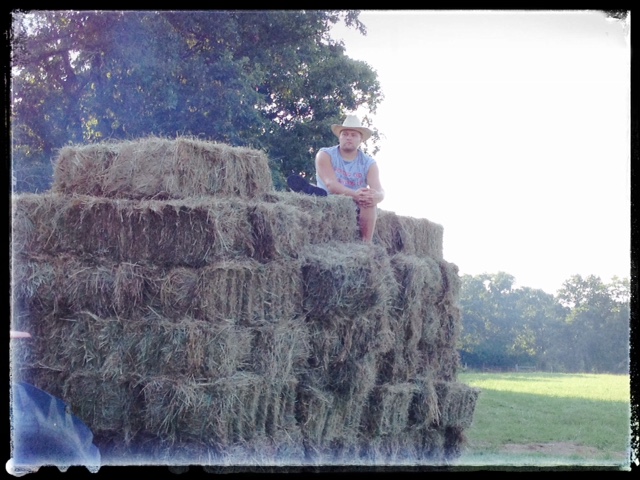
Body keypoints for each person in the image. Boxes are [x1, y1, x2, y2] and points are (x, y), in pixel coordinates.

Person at [287, 115, 384, 242]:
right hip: (331, 196)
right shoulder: (325, 154)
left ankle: (366, 244)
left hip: (357, 203)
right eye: (345, 134)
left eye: (353, 135)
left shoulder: (369, 163)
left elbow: (379, 190)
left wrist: (377, 197)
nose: (348, 137)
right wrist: (355, 194)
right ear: (339, 137)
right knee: (335, 195)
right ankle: (313, 193)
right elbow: (331, 184)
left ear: (361, 139)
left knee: (369, 200)